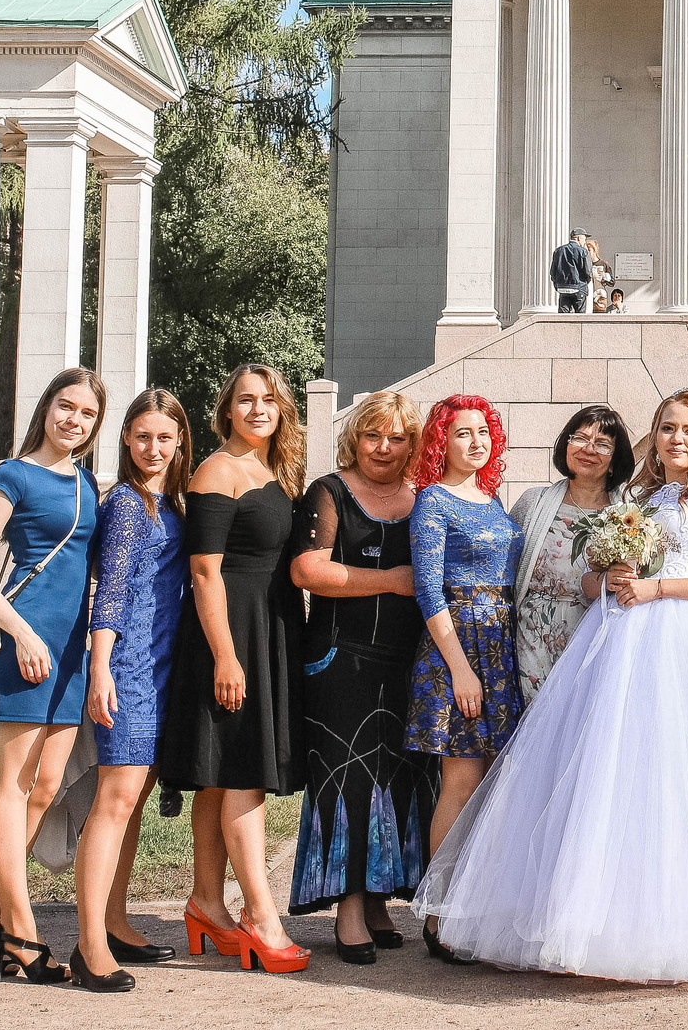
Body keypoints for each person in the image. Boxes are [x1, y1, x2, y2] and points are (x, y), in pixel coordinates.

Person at [413, 389, 688, 985]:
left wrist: (656, 589)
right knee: (605, 776)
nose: (677, 439)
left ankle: (675, 922)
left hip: (685, 644)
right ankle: (585, 917)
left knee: (678, 780)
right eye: (668, 428)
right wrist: (611, 574)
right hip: (615, 640)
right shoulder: (634, 498)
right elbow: (592, 582)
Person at [0, 366, 104, 984]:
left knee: (45, 788)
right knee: (10, 788)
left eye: (88, 414)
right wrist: (21, 633)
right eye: (65, 407)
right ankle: (20, 928)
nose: (74, 420)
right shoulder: (11, 476)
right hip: (25, 646)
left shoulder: (89, 482)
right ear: (46, 408)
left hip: (70, 652)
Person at [161, 364, 309, 975]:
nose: (257, 409)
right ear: (226, 411)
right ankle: (261, 917)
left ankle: (204, 904)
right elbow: (203, 571)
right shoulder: (218, 470)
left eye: (268, 400)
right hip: (231, 633)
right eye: (245, 400)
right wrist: (225, 654)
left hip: (268, 628)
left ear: (281, 410)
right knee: (244, 768)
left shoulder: (273, 470)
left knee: (220, 772)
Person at [287, 388, 437, 964]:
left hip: (407, 660)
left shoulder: (422, 497)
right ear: (356, 437)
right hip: (339, 657)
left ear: (412, 444)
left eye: (397, 437)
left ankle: (379, 899)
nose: (383, 447)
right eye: (373, 435)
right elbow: (308, 570)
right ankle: (348, 910)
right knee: (350, 781)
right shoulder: (329, 491)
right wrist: (392, 580)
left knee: (400, 778)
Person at [71, 389, 194, 992]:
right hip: (128, 666)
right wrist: (101, 669)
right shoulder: (125, 502)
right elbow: (111, 589)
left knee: (134, 798)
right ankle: (89, 941)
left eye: (164, 438)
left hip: (165, 661)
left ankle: (115, 921)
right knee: (115, 799)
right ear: (125, 439)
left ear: (179, 442)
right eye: (142, 437)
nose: (153, 448)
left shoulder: (171, 502)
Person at [404, 393, 525, 963]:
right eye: (461, 433)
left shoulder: (492, 499)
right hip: (459, 648)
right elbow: (428, 589)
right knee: (461, 778)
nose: (474, 442)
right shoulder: (433, 501)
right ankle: (436, 913)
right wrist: (461, 670)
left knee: (493, 782)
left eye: (483, 432)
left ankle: (477, 903)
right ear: (441, 441)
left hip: (502, 644)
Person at [511, 405, 637, 699]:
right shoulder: (533, 502)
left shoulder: (628, 515)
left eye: (603, 444)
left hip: (592, 639)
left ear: (614, 459)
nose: (588, 449)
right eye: (579, 438)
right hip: (531, 638)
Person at [550, 228, 593, 314]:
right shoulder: (583, 251)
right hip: (579, 287)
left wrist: (557, 284)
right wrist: (585, 283)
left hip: (562, 288)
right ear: (578, 238)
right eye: (584, 238)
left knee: (563, 318)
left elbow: (553, 272)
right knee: (580, 317)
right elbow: (588, 271)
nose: (585, 241)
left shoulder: (558, 251)